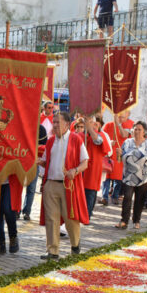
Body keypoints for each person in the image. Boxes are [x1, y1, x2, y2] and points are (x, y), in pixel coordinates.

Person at [39, 111, 90, 260]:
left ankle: (75, 244)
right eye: (53, 122)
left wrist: (75, 170)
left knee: (70, 217)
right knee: (51, 218)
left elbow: (85, 162)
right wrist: (40, 162)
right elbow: (46, 160)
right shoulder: (50, 141)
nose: (54, 125)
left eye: (57, 122)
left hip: (69, 186)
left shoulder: (76, 139)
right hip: (51, 184)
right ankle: (53, 251)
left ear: (67, 124)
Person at [115, 121, 147, 230]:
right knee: (127, 198)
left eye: (139, 129)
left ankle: (136, 221)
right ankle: (124, 221)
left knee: (140, 199)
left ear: (144, 132)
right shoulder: (127, 142)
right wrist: (118, 154)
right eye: (135, 129)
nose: (137, 131)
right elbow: (120, 160)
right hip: (128, 176)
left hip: (144, 176)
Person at [81, 114, 112, 217]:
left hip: (93, 169)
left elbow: (98, 141)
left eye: (95, 124)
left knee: (90, 192)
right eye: (90, 124)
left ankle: (87, 215)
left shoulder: (100, 135)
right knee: (81, 192)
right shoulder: (82, 135)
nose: (93, 126)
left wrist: (90, 128)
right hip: (81, 168)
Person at [101, 111, 133, 205]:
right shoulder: (108, 125)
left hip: (120, 155)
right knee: (106, 178)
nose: (119, 118)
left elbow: (124, 135)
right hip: (108, 154)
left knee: (118, 178)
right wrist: (109, 142)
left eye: (121, 117)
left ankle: (115, 196)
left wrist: (118, 124)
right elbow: (102, 138)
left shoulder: (129, 124)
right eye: (118, 117)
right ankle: (104, 197)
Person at [21, 123, 48, 221]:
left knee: (31, 188)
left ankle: (27, 211)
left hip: (34, 163)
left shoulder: (41, 129)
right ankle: (15, 210)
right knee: (18, 187)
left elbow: (44, 146)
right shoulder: (23, 125)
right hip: (21, 162)